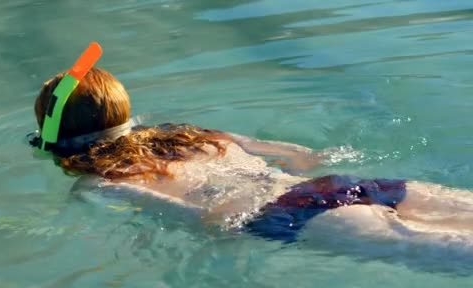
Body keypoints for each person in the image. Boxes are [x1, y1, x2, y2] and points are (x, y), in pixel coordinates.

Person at [29, 46, 473, 244]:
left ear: (51, 135)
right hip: (337, 183)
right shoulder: (187, 133)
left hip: (287, 217)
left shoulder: (100, 184)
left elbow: (203, 218)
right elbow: (299, 155)